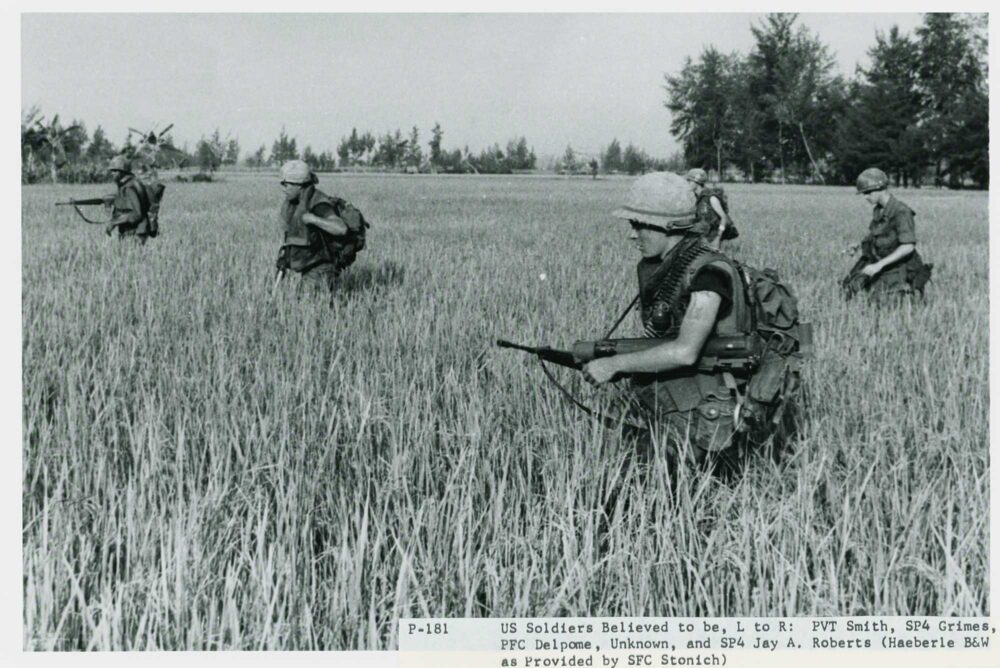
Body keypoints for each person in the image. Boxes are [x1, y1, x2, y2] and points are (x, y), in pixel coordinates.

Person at [581, 172, 755, 466]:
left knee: (641, 468)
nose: (632, 235)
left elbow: (685, 351)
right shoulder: (673, 266)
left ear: (668, 226)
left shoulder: (709, 274)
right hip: (691, 391)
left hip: (713, 404)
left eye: (639, 225)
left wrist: (613, 364)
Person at [275, 160, 367, 292]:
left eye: (286, 184)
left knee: (308, 299)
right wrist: (285, 256)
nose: (283, 188)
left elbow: (341, 229)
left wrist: (313, 219)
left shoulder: (319, 204)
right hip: (309, 261)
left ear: (299, 185)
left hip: (323, 263)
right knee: (306, 298)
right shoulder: (294, 203)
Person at [842, 167, 932, 300]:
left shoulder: (901, 211)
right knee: (849, 287)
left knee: (879, 301)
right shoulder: (879, 210)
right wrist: (859, 246)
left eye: (868, 192)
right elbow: (879, 236)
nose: (865, 197)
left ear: (880, 188)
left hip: (899, 267)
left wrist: (878, 266)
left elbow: (908, 246)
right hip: (881, 262)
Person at [102, 155, 153, 243]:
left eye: (115, 171)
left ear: (122, 172)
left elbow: (137, 214)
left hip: (135, 233)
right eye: (112, 171)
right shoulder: (130, 184)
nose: (112, 173)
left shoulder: (129, 187)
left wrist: (114, 223)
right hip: (132, 231)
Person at [686, 168, 737, 249]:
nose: (687, 183)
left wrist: (718, 238)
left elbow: (724, 218)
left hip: (713, 237)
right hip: (703, 235)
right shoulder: (697, 197)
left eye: (689, 181)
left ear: (697, 182)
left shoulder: (711, 198)